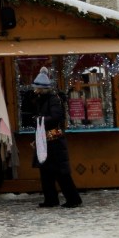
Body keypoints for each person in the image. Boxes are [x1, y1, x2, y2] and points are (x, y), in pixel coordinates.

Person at [32, 69, 82, 209]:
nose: (35, 90)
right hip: (46, 140)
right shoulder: (43, 100)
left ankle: (73, 199)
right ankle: (51, 199)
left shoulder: (53, 99)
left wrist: (40, 119)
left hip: (54, 141)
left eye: (37, 88)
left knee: (61, 172)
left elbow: (56, 117)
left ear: (42, 88)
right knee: (46, 171)